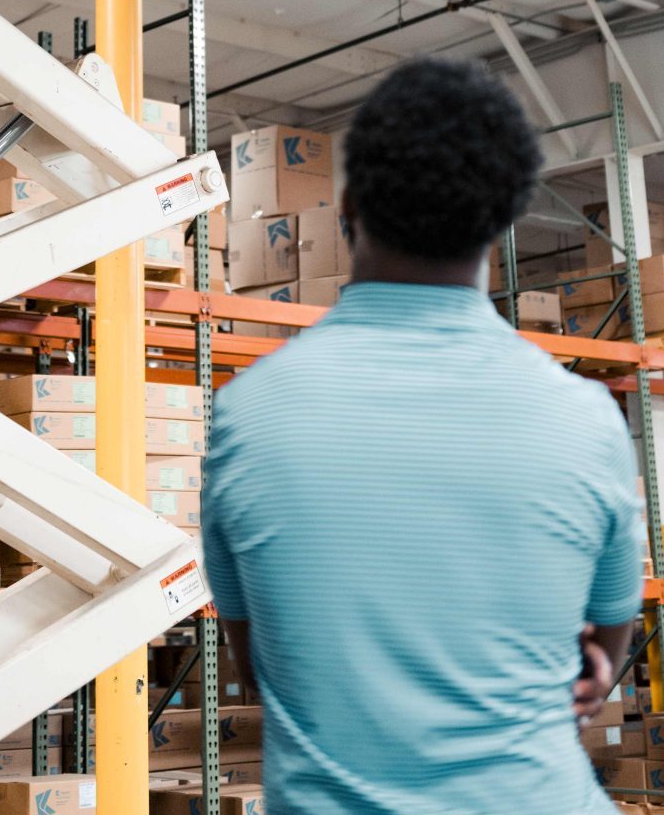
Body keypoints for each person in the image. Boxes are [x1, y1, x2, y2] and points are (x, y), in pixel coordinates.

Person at [202, 57, 645, 815]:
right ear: (502, 221)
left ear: (348, 206)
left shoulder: (248, 413)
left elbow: (260, 668)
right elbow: (604, 642)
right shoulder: (585, 418)